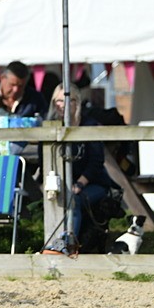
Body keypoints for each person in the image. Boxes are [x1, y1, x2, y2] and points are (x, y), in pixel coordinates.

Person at [48, 82, 119, 241]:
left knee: (74, 200)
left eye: (68, 100)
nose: (62, 105)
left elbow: (96, 161)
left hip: (93, 183)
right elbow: (44, 160)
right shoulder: (50, 127)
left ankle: (69, 245)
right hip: (61, 183)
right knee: (54, 199)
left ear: (77, 102)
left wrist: (79, 184)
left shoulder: (89, 125)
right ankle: (52, 244)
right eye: (58, 101)